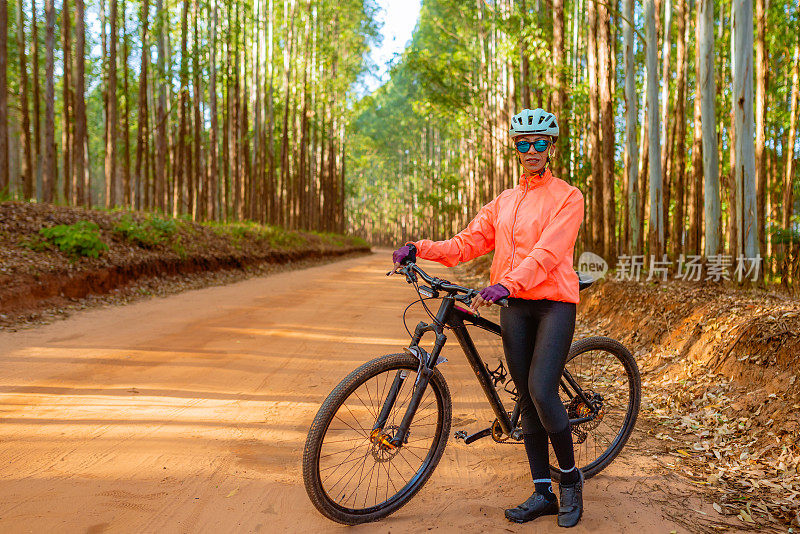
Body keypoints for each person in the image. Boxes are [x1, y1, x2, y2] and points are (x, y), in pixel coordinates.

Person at [391, 108, 585, 528]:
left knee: (541, 388)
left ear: (551, 147)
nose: (531, 150)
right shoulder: (505, 201)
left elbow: (548, 253)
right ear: (515, 149)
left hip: (553, 304)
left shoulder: (569, 197)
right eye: (523, 143)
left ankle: (570, 481)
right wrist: (419, 247)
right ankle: (542, 493)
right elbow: (467, 243)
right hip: (514, 306)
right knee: (525, 398)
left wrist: (505, 283)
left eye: (539, 143)